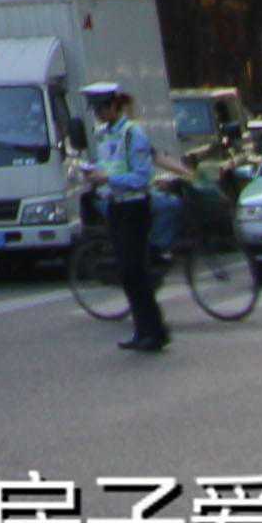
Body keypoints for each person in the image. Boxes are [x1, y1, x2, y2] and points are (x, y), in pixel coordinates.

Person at [86, 78, 169, 352]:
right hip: (115, 206)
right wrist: (94, 175)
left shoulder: (133, 134)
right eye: (95, 110)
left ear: (113, 106)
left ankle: (154, 331)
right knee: (126, 272)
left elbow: (142, 177)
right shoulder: (104, 134)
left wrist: (108, 178)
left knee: (135, 270)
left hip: (134, 206)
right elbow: (108, 165)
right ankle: (143, 330)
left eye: (101, 109)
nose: (98, 114)